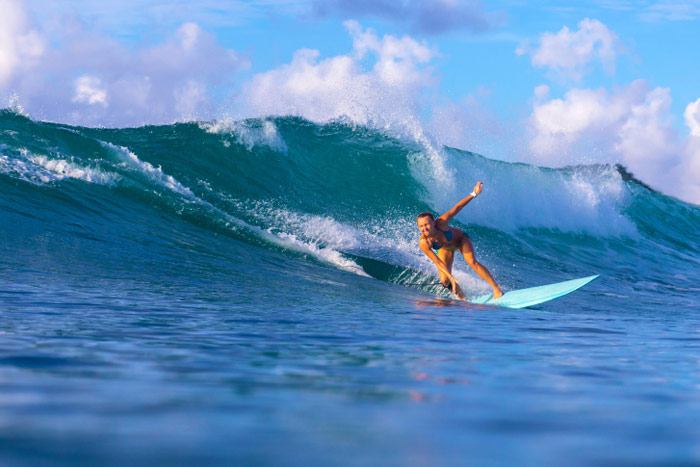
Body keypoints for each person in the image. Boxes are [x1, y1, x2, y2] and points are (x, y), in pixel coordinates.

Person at [417, 181, 503, 300]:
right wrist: (450, 277)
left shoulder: (441, 222)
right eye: (421, 226)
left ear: (433, 222)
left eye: (426, 224)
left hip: (461, 240)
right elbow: (438, 262)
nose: (424, 228)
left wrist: (474, 194)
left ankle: (497, 289)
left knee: (472, 262)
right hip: (445, 248)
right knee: (445, 280)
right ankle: (463, 298)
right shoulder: (424, 243)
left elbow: (457, 207)